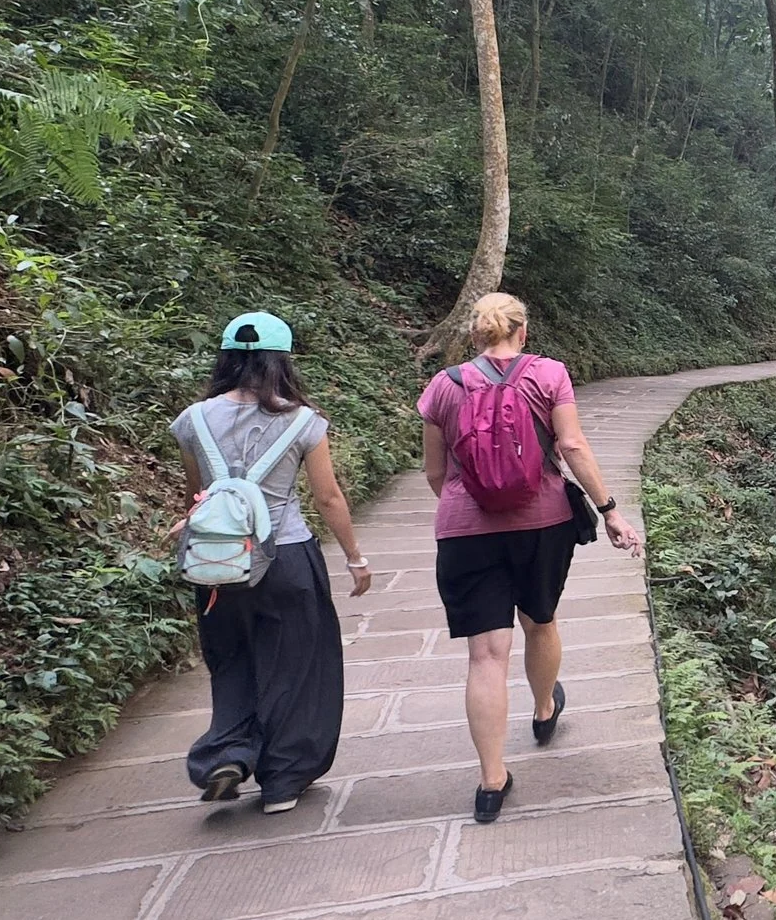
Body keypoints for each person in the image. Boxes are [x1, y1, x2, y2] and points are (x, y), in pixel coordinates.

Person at [421, 291, 640, 824]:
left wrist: (467, 509)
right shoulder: (548, 375)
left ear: (473, 335)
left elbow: (433, 471)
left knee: (485, 656)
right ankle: (544, 710)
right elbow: (572, 447)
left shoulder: (443, 387)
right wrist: (609, 511)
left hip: (465, 531)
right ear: (522, 333)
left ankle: (492, 782)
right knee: (540, 620)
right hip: (542, 523)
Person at [171, 311, 372, 813]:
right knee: (297, 667)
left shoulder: (193, 420)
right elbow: (327, 498)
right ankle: (283, 779)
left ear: (226, 358)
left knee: (231, 659)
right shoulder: (304, 421)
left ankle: (229, 754)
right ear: (281, 360)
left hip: (220, 565)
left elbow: (197, 495)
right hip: (286, 558)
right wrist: (354, 557)